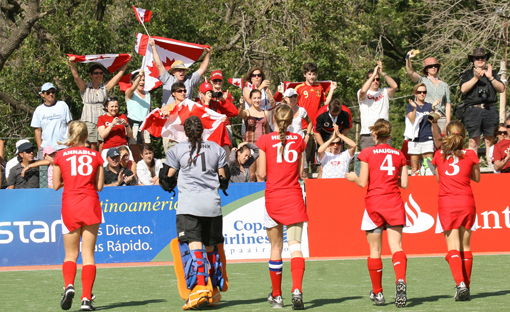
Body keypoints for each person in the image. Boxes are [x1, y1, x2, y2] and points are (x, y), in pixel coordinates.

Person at [164, 116, 228, 309]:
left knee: (195, 249)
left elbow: (167, 179)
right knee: (211, 250)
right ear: (203, 130)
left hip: (189, 206)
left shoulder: (176, 150)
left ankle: (200, 288)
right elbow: (224, 178)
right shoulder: (216, 149)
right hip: (212, 205)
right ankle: (214, 291)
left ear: (185, 131)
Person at [346, 119, 409, 308]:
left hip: (374, 203)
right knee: (396, 247)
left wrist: (353, 177)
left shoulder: (367, 153)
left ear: (374, 134)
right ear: (389, 135)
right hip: (394, 202)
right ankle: (400, 280)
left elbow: (363, 182)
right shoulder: (398, 154)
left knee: (375, 251)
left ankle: (378, 292)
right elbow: (405, 184)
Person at [256, 104, 308, 310]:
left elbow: (261, 173)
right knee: (295, 247)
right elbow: (302, 172)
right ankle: (297, 290)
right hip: (294, 196)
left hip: (274, 198)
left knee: (275, 248)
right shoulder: (299, 141)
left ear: (273, 119)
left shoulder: (265, 140)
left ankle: (277, 296)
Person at [52, 121, 104, 311]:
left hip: (70, 205)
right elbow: (99, 187)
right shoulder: (96, 155)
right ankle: (86, 300)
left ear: (71, 134)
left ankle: (69, 286)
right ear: (86, 136)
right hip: (90, 204)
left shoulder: (60, 155)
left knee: (70, 254)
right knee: (88, 255)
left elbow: (56, 185)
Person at [430, 121, 480, 301]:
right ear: (464, 136)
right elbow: (477, 178)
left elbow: (438, 180)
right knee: (466, 247)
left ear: (446, 134)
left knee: (452, 248)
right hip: (467, 202)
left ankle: (460, 284)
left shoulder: (438, 155)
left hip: (448, 204)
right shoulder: (471, 154)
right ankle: (466, 286)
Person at [68, 57, 130, 151]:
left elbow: (118, 76)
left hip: (103, 118)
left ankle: (101, 163)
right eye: (96, 73)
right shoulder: (85, 87)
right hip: (89, 119)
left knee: (102, 142)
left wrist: (126, 62)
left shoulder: (105, 87)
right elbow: (76, 76)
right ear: (90, 75)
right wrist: (71, 63)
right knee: (91, 144)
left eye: (101, 73)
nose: (99, 75)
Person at [460, 48, 505, 161]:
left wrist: (491, 78)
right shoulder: (468, 74)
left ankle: (491, 166)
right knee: (473, 141)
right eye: (477, 58)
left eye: (482, 57)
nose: (480, 59)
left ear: (486, 59)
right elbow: (463, 89)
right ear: (473, 61)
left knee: (490, 141)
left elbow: (502, 89)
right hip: (473, 110)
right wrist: (476, 78)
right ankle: (473, 168)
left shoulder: (492, 73)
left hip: (490, 110)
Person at [295, 63, 337, 172]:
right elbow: (293, 105)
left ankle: (315, 181)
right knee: (305, 156)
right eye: (309, 74)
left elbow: (325, 103)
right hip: (304, 128)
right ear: (305, 75)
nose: (312, 76)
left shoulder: (319, 87)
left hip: (317, 128)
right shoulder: (299, 88)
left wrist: (332, 89)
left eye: (314, 74)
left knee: (316, 158)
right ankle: (304, 180)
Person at [150, 38, 211, 106]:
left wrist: (208, 53)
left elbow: (202, 68)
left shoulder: (189, 80)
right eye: (179, 70)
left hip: (184, 115)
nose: (181, 72)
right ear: (173, 72)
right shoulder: (167, 79)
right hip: (169, 114)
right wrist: (153, 47)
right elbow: (159, 65)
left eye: (183, 70)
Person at [406, 51, 451, 133]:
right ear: (426, 69)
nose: (433, 67)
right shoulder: (422, 80)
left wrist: (448, 121)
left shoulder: (445, 85)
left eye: (435, 66)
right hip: (426, 117)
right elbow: (410, 72)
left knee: (442, 144)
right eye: (430, 66)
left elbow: (447, 104)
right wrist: (408, 58)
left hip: (441, 118)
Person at [357, 61, 398, 150]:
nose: (375, 81)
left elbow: (394, 86)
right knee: (368, 163)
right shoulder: (362, 92)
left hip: (384, 133)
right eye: (372, 79)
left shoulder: (384, 92)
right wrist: (373, 74)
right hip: (368, 135)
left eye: (377, 79)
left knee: (384, 162)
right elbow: (363, 91)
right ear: (368, 80)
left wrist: (383, 73)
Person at [31, 82, 73, 160]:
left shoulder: (62, 105)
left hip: (63, 147)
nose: (51, 94)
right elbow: (37, 130)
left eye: (53, 92)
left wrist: (70, 143)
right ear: (42, 94)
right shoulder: (39, 110)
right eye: (48, 92)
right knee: (44, 171)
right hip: (46, 148)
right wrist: (40, 147)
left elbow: (70, 125)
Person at [406, 83, 439, 175]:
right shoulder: (410, 106)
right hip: (414, 140)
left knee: (429, 167)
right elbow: (412, 120)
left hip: (427, 139)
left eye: (424, 92)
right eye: (419, 92)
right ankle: (414, 188)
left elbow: (433, 121)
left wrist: (433, 108)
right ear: (415, 93)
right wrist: (415, 108)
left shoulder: (429, 106)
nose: (422, 94)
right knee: (414, 168)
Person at [238, 89, 270, 182]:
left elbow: (267, 131)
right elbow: (240, 114)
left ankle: (262, 195)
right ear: (251, 100)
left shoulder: (265, 113)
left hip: (262, 147)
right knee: (251, 176)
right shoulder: (247, 112)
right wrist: (241, 106)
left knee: (261, 175)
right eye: (254, 98)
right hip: (250, 147)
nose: (257, 100)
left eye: (259, 98)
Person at [125, 69, 151, 162]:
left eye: (143, 80)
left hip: (145, 127)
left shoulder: (148, 94)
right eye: (139, 80)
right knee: (136, 155)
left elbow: (149, 111)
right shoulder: (129, 93)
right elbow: (132, 88)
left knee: (147, 153)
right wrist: (139, 75)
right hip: (134, 127)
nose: (141, 82)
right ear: (133, 81)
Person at [97, 96, 133, 162]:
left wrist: (127, 125)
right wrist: (112, 124)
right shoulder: (102, 118)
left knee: (131, 165)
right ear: (106, 107)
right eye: (112, 106)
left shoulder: (122, 116)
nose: (114, 108)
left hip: (123, 147)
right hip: (108, 147)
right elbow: (102, 135)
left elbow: (130, 135)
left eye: (116, 106)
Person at [209, 70, 238, 144]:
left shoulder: (226, 94)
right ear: (211, 81)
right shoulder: (207, 94)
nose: (218, 82)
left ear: (222, 81)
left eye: (220, 80)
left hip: (225, 125)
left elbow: (234, 112)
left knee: (226, 150)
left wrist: (224, 100)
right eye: (215, 80)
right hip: (211, 126)